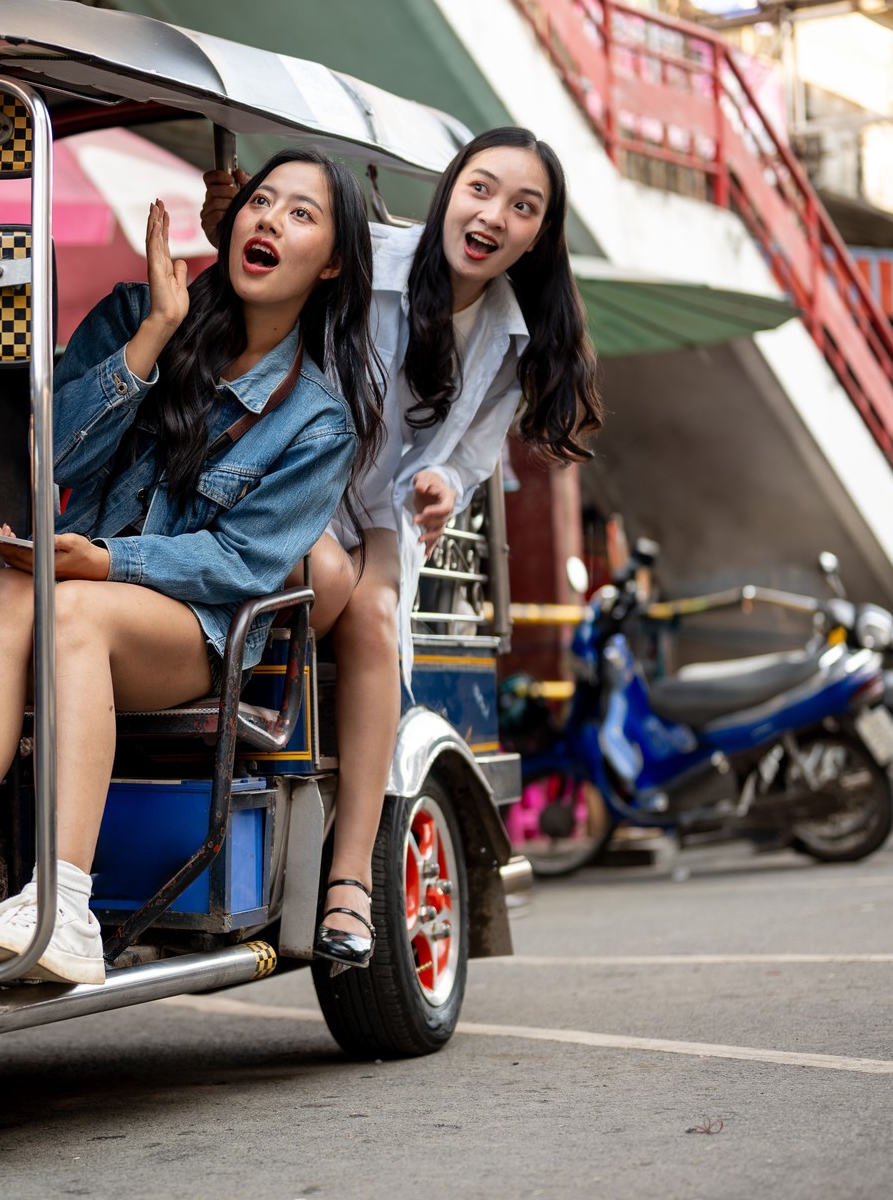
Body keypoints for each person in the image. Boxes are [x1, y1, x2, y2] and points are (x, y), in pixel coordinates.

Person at [0, 148, 385, 984]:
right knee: (8, 592)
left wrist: (108, 562)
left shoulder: (320, 422)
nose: (268, 219)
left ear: (329, 263)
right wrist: (153, 336)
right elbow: (53, 459)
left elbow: (241, 561)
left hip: (201, 631)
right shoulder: (133, 313)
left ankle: (62, 906)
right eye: (262, 201)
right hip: (91, 591)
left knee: (69, 609)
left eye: (300, 214)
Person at [202, 126, 603, 967]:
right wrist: (230, 223)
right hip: (293, 472)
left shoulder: (512, 332)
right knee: (327, 583)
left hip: (382, 507)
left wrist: (445, 488)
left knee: (375, 615)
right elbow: (268, 283)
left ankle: (350, 882)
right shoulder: (369, 255)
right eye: (482, 188)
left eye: (522, 207)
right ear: (451, 187)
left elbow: (468, 453)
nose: (494, 214)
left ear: (538, 234)